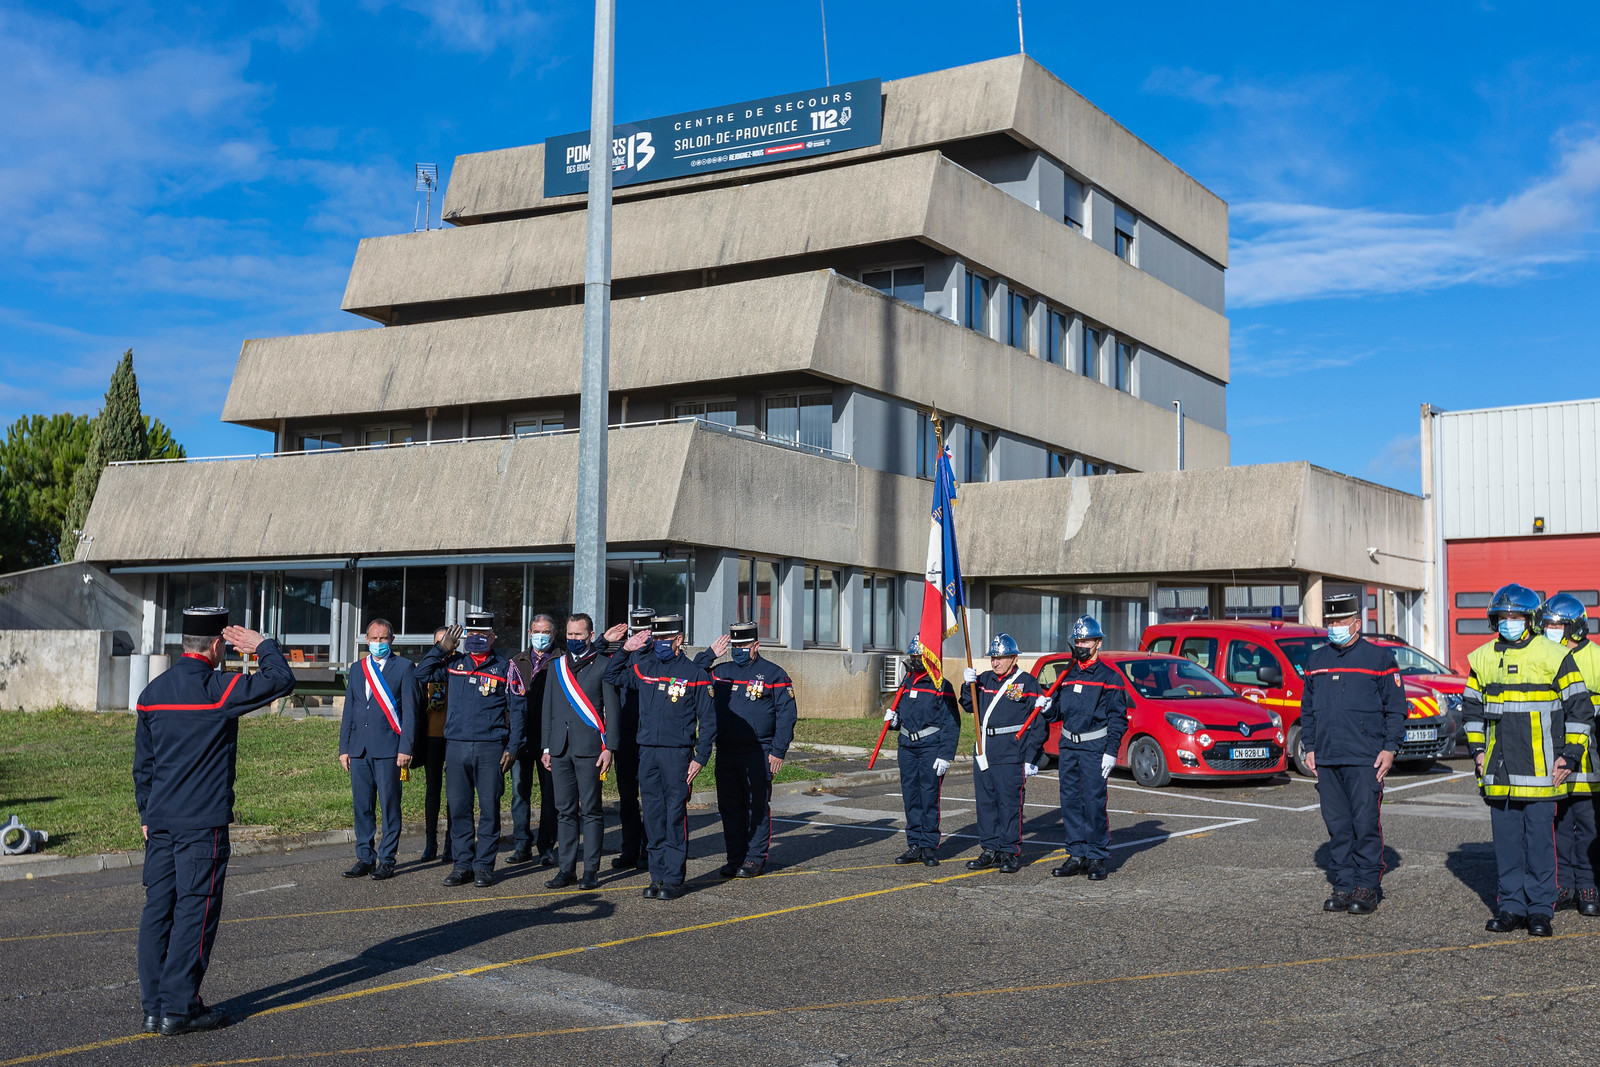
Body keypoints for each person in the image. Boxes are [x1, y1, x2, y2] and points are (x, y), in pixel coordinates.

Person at [133, 607, 295, 1036]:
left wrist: (147, 814)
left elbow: (143, 766)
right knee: (195, 911)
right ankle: (180, 1008)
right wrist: (263, 646)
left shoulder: (152, 692)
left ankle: (155, 1007)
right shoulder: (217, 688)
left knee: (158, 911)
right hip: (201, 823)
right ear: (218, 646)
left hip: (161, 821)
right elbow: (281, 680)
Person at [1464, 583, 1593, 937]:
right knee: (1506, 846)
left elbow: (1580, 710)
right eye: (1503, 617)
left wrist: (1570, 755)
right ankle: (1510, 908)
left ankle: (1539, 910)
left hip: (1542, 772)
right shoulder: (1483, 658)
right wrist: (1477, 752)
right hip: (1499, 772)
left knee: (1539, 844)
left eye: (1515, 616)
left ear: (1529, 619)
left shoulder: (1553, 656)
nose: (1508, 622)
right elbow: (1472, 711)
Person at [1299, 593, 1406, 915]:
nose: (1334, 628)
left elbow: (1396, 709)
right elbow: (1307, 711)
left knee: (1365, 823)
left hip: (1365, 758)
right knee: (1338, 825)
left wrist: (1390, 748)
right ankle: (1344, 885)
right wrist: (1311, 747)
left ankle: (1367, 887)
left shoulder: (1379, 659)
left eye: (1340, 623)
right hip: (1328, 757)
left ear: (1357, 623)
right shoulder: (1316, 661)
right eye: (1330, 623)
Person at [604, 614, 715, 899]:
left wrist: (700, 757)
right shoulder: (646, 667)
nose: (661, 644)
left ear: (679, 640)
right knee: (652, 816)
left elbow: (709, 720)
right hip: (648, 753)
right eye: (658, 639)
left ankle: (674, 878)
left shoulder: (695, 674)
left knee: (674, 815)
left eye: (666, 639)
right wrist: (624, 650)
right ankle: (657, 876)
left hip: (677, 754)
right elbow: (612, 676)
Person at [416, 612, 528, 888]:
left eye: (482, 635)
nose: (476, 640)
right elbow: (421, 673)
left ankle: (484, 866)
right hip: (456, 747)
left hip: (491, 748)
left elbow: (518, 710)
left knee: (489, 808)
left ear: (493, 637)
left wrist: (513, 747)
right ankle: (462, 864)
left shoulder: (505, 667)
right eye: (471, 635)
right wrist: (442, 648)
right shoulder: (454, 664)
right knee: (459, 808)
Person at [696, 622, 798, 878]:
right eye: (735, 646)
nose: (739, 650)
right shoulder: (721, 672)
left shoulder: (774, 675)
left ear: (756, 645)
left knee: (756, 806)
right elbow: (692, 672)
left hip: (759, 751)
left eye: (744, 646)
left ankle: (754, 858)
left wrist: (778, 750)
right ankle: (735, 857)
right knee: (730, 807)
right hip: (727, 750)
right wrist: (710, 654)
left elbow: (787, 716)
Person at [1046, 615, 1129, 881]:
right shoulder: (1067, 673)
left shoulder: (1110, 677)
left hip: (1095, 746)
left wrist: (1111, 751)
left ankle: (1096, 856)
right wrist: (1048, 709)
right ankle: (1076, 854)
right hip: (1069, 746)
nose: (1080, 645)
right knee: (1070, 801)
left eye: (1085, 640)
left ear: (1098, 643)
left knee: (1093, 803)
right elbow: (1059, 710)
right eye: (1077, 640)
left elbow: (1118, 717)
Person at [338, 618, 421, 881]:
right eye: (373, 639)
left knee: (389, 806)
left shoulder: (405, 668)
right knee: (362, 806)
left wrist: (406, 747)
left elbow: (410, 712)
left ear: (392, 640)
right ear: (366, 640)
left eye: (383, 639)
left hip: (389, 749)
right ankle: (364, 857)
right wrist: (344, 748)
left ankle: (387, 859)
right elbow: (350, 710)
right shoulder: (357, 668)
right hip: (359, 749)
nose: (378, 643)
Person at [540, 612, 618, 890]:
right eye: (570, 635)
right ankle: (566, 869)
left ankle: (591, 871)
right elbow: (548, 710)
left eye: (579, 635)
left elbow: (612, 711)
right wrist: (547, 746)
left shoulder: (603, 666)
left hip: (589, 749)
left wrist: (610, 747)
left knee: (592, 811)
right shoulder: (556, 665)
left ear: (590, 635)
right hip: (560, 749)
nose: (574, 639)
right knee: (565, 811)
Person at [959, 633, 1048, 874]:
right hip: (984, 749)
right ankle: (990, 848)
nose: (995, 662)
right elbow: (969, 705)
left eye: (1000, 658)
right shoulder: (985, 679)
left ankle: (1009, 851)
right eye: (993, 658)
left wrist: (1031, 757)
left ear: (1014, 658)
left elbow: (1038, 724)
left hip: (1011, 751)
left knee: (1009, 804)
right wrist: (967, 685)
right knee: (986, 803)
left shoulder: (1027, 683)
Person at [1537, 593, 1600, 917]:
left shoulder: (1596, 658)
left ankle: (1588, 885)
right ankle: (1563, 885)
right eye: (1546, 624)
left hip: (1591, 760)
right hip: (1555, 757)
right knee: (1559, 824)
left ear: (1574, 628)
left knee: (1588, 825)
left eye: (1555, 624)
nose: (1549, 629)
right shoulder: (1546, 656)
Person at [885, 636, 959, 867]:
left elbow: (951, 723)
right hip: (907, 746)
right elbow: (905, 715)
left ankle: (928, 845)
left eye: (918, 656)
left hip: (930, 747)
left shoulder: (941, 685)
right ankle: (914, 844)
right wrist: (894, 721)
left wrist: (946, 755)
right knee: (911, 797)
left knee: (929, 797)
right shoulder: (906, 683)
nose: (914, 660)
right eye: (912, 656)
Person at [509, 614, 560, 867]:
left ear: (554, 634)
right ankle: (521, 845)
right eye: (536, 631)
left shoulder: (562, 661)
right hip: (521, 739)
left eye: (546, 631)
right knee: (520, 793)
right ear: (529, 633)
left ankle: (547, 846)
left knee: (550, 795)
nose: (541, 636)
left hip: (550, 739)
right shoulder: (517, 662)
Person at [610, 607, 655, 870]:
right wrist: (617, 645)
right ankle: (629, 850)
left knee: (650, 797)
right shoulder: (622, 654)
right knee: (627, 798)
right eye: (637, 630)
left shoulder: (664, 655)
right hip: (626, 734)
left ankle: (649, 851)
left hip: (650, 735)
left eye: (646, 630)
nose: (641, 636)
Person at [418, 626, 451, 863]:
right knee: (433, 791)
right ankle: (431, 841)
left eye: (448, 642)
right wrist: (439, 652)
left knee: (454, 794)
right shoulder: (430, 667)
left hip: (454, 738)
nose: (445, 646)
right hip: (431, 738)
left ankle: (451, 841)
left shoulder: (459, 665)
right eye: (440, 642)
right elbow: (419, 674)